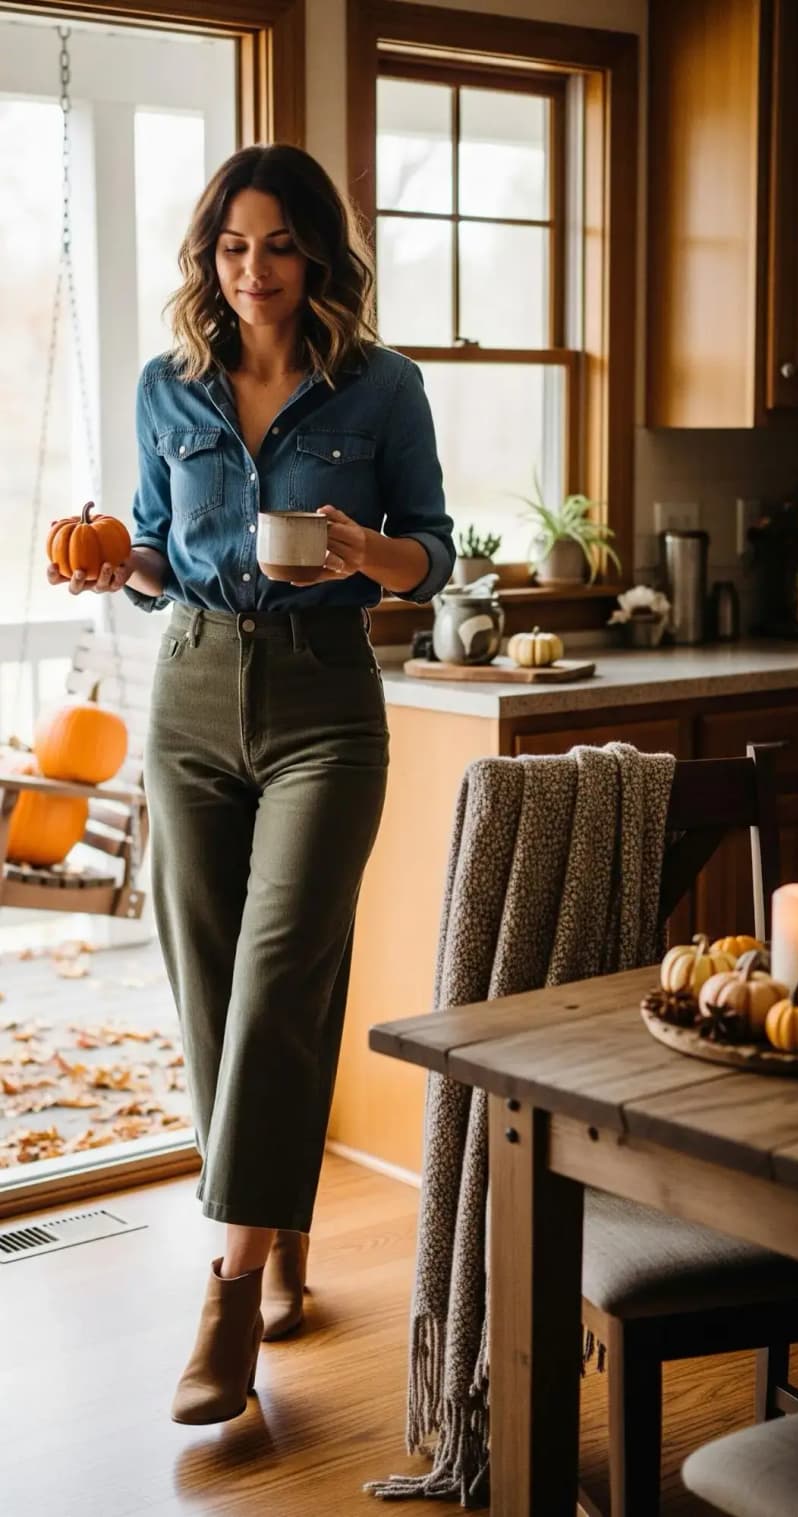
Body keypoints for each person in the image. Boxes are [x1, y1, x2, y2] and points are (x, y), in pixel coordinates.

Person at [48, 142, 454, 1425]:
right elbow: (159, 551)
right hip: (189, 691)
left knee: (283, 971)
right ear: (208, 258)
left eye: (279, 243)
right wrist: (117, 564)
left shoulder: (381, 390)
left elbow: (429, 558)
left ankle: (227, 1300)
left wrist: (358, 548)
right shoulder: (167, 387)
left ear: (318, 252)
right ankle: (277, 1228)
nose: (255, 268)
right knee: (215, 988)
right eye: (233, 246)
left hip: (329, 696)